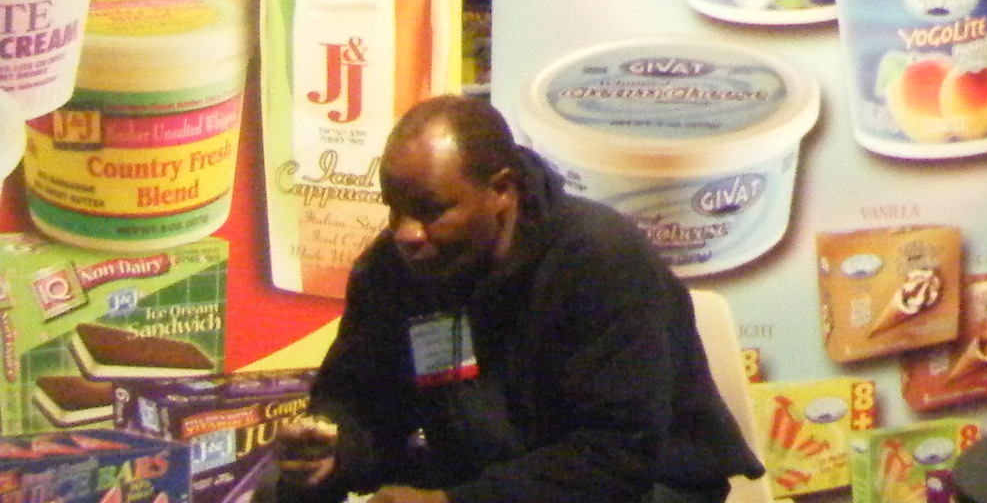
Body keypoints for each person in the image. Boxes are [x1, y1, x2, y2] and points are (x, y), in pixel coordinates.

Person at [276, 95, 759, 503]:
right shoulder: (392, 270)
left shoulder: (599, 260)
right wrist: (335, 447)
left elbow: (618, 455)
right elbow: (360, 398)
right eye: (394, 209)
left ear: (501, 190)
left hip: (642, 486)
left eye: (431, 210)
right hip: (481, 481)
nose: (407, 233)